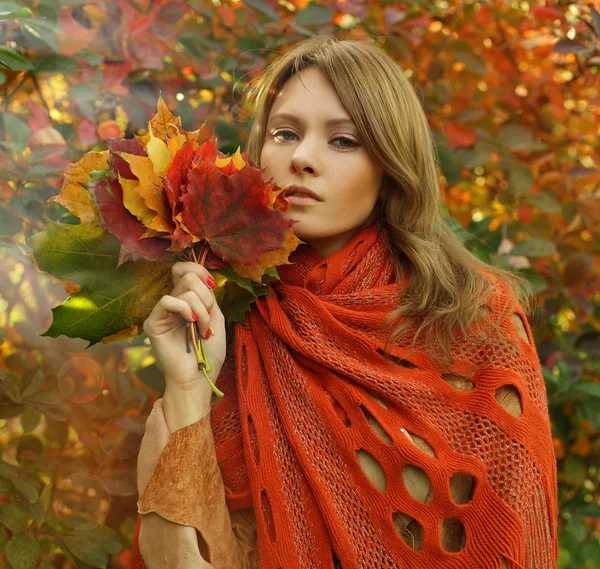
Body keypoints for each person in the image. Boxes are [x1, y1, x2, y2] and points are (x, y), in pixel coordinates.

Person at [132, 34, 558, 569]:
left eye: (344, 140)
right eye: (285, 134)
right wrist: (190, 388)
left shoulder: (473, 317)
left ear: (390, 165)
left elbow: (503, 536)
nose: (303, 158)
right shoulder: (226, 311)